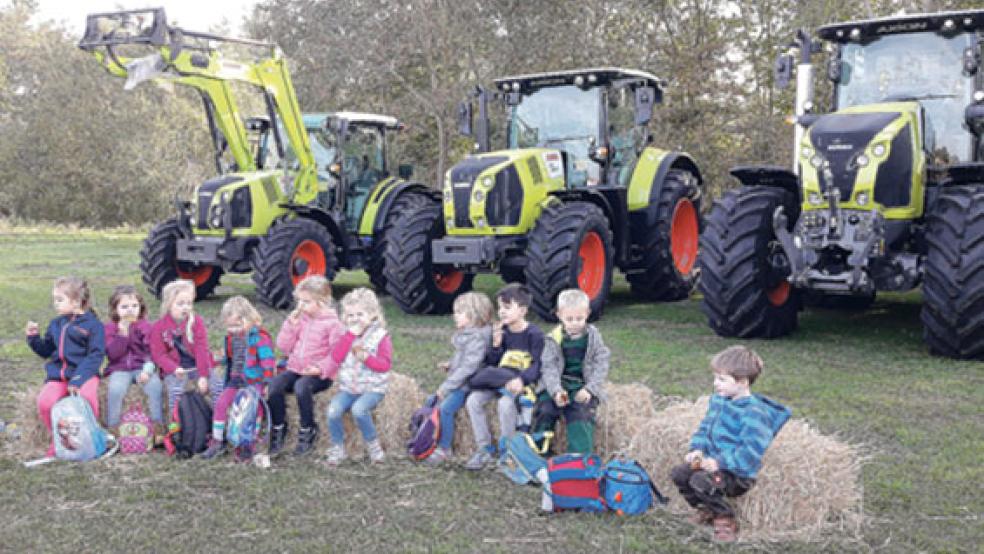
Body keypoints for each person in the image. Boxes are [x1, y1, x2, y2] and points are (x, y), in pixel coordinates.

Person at [670, 346, 791, 543]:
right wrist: (697, 449)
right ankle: (707, 509)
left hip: (736, 473)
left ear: (742, 382)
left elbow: (750, 452)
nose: (715, 384)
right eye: (715, 377)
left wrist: (719, 463)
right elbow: (705, 428)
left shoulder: (754, 414)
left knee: (701, 481)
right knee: (680, 474)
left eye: (722, 379)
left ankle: (725, 519)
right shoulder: (719, 402)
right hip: (711, 464)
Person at [464, 283, 544, 470]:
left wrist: (522, 380)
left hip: (517, 382)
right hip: (498, 379)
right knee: (473, 400)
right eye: (500, 307)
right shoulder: (503, 332)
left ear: (523, 310)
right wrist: (497, 344)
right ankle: (484, 449)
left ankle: (509, 451)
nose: (502, 312)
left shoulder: (534, 334)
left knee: (505, 404)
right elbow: (494, 362)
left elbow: (538, 364)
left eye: (507, 308)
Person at [26, 276, 105, 458]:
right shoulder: (56, 323)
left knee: (87, 398)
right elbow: (46, 350)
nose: (55, 304)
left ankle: (92, 437)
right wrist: (33, 339)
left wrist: (78, 378)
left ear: (77, 301)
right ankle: (58, 441)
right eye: (55, 299)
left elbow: (96, 355)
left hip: (85, 374)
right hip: (58, 376)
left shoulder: (93, 325)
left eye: (60, 299)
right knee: (45, 402)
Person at [269, 275, 345, 457]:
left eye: (307, 302)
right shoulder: (300, 319)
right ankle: (279, 427)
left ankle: (307, 429)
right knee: (274, 386)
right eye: (299, 301)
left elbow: (337, 354)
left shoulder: (333, 324)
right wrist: (290, 325)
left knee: (302, 387)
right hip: (296, 368)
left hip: (320, 374)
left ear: (322, 301)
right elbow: (283, 346)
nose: (301, 306)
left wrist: (320, 368)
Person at [531, 288, 609, 454]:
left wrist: (590, 389)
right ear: (559, 315)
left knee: (580, 413)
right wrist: (556, 391)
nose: (575, 323)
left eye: (579, 318)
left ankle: (579, 457)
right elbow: (549, 368)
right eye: (569, 319)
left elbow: (601, 363)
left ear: (587, 313)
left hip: (581, 385)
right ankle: (538, 451)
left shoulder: (593, 338)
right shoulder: (553, 339)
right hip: (559, 383)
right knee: (545, 410)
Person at [201, 296, 277, 460]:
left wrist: (267, 382)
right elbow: (231, 357)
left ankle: (247, 444)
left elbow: (268, 361)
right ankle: (217, 441)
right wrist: (214, 360)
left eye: (237, 325)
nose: (234, 330)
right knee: (221, 404)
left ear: (249, 318)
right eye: (229, 326)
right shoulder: (230, 338)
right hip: (235, 379)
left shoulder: (260, 338)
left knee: (251, 409)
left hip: (253, 381)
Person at [424, 292, 493, 465]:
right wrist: (451, 364)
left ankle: (444, 448)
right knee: (430, 402)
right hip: (463, 379)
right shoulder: (469, 334)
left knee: (445, 408)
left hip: (468, 384)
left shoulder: (476, 337)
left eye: (459, 312)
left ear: (472, 315)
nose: (455, 316)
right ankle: (426, 437)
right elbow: (465, 359)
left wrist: (446, 387)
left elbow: (469, 367)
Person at [325, 288, 392, 466]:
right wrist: (349, 337)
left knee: (359, 410)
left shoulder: (380, 337)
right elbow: (336, 358)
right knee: (333, 411)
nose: (355, 319)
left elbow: (385, 365)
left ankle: (374, 446)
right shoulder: (345, 335)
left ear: (372, 315)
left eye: (360, 314)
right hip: (349, 388)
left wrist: (367, 359)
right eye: (350, 315)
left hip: (372, 388)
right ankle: (338, 447)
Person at [102, 285, 164, 445]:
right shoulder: (110, 329)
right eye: (124, 307)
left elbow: (152, 351)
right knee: (115, 390)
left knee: (154, 386)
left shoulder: (145, 327)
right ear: (115, 309)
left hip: (142, 367)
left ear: (140, 308)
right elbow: (112, 354)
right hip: (119, 368)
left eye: (134, 306)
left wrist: (148, 370)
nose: (130, 310)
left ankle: (158, 428)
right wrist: (122, 334)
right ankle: (113, 429)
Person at [149, 279, 220, 415]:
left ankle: (218, 422)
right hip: (176, 369)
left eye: (189, 303)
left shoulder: (196, 322)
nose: (186, 307)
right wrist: (173, 368)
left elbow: (202, 350)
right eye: (180, 304)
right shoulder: (159, 327)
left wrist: (203, 375)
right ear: (169, 305)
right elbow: (159, 355)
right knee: (176, 391)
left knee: (217, 386)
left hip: (196, 366)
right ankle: (175, 425)